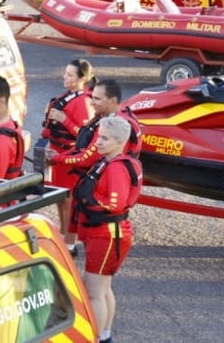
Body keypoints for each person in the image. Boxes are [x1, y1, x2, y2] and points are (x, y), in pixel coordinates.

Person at [50, 79, 142, 253]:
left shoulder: (113, 125)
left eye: (97, 99)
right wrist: (60, 156)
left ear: (113, 101)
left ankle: (70, 246)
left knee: (78, 202)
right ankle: (69, 243)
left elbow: (87, 157)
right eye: (93, 97)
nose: (92, 102)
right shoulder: (107, 117)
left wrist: (58, 159)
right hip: (101, 179)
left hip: (106, 189)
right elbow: (83, 148)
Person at [73, 115, 141, 343]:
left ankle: (94, 337)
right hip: (108, 234)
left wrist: (90, 198)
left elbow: (115, 204)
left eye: (104, 138)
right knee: (103, 288)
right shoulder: (112, 162)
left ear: (119, 142)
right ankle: (105, 335)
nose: (98, 142)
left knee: (94, 292)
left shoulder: (114, 169)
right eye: (98, 137)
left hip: (107, 234)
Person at [41, 59, 95, 252]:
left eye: (70, 74)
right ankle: (63, 235)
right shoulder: (66, 97)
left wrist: (64, 119)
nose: (65, 77)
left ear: (82, 79)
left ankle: (70, 243)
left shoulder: (84, 102)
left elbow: (85, 136)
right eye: (65, 73)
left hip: (70, 157)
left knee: (69, 202)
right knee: (60, 198)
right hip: (57, 154)